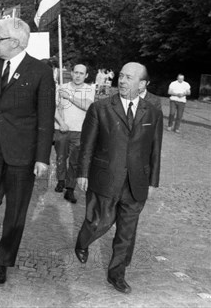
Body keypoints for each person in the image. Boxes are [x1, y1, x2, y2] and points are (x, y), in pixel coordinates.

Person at [0, 17, 55, 285]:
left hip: (22, 154)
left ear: (14, 42)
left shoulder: (39, 71)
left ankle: (2, 262)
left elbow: (46, 118)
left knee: (15, 212)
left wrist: (42, 158)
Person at [74, 62, 163, 294]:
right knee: (99, 222)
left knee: (127, 232)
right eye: (121, 76)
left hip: (136, 183)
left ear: (142, 84)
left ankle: (117, 274)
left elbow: (155, 149)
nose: (122, 81)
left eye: (129, 78)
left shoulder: (152, 112)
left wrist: (153, 181)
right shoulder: (100, 108)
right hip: (105, 178)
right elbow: (87, 145)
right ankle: (83, 241)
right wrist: (82, 173)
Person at [53, 64, 95, 204]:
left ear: (86, 75)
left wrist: (69, 96)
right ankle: (60, 181)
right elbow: (53, 108)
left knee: (75, 161)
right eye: (75, 72)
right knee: (60, 157)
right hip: (62, 129)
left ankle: (70, 188)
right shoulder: (61, 87)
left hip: (80, 131)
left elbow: (87, 106)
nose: (78, 75)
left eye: (81, 73)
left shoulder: (89, 89)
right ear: (71, 73)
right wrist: (61, 123)